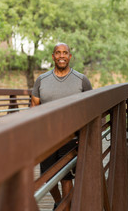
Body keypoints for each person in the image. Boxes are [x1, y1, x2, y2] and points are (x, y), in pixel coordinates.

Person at [31, 43, 92, 211]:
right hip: (46, 139)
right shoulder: (42, 80)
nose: (62, 56)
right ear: (53, 56)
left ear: (70, 56)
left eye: (65, 53)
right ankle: (59, 203)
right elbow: (33, 108)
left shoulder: (81, 80)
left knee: (66, 179)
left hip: (71, 137)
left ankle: (64, 209)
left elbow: (90, 108)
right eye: (58, 53)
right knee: (47, 178)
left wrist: (84, 136)